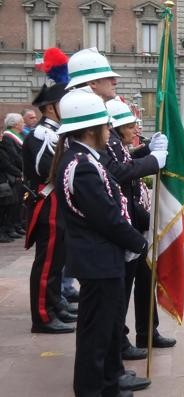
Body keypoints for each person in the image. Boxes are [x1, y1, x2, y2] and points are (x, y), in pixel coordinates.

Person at [53, 89, 151, 396]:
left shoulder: (82, 159)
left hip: (101, 259)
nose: (110, 131)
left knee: (104, 328)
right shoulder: (81, 165)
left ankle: (107, 384)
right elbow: (106, 216)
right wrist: (139, 242)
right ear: (91, 129)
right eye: (105, 126)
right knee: (96, 334)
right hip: (98, 260)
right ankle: (92, 389)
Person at [104, 98, 174, 359]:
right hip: (123, 228)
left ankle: (147, 332)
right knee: (121, 292)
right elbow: (121, 172)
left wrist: (147, 151)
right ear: (116, 126)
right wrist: (154, 159)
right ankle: (120, 343)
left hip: (135, 223)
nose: (136, 129)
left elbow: (127, 160)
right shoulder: (108, 144)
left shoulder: (116, 143)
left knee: (146, 280)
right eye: (131, 125)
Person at [23, 80, 74, 333]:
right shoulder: (42, 134)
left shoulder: (56, 131)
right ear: (52, 108)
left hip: (58, 202)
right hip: (48, 202)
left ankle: (55, 305)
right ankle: (42, 316)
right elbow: (43, 170)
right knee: (47, 263)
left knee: (57, 261)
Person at [0, 113, 25, 242]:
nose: (24, 124)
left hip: (13, 174)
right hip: (7, 176)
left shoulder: (17, 136)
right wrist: (19, 171)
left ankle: (12, 227)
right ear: (15, 124)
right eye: (22, 122)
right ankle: (5, 230)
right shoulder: (8, 138)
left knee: (16, 203)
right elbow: (8, 160)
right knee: (6, 205)